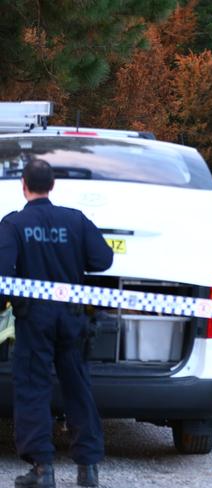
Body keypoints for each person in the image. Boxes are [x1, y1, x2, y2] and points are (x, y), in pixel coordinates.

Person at [0, 160, 113, 488]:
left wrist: (17, 303)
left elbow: (3, 274)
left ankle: (42, 469)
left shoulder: (14, 225)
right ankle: (88, 468)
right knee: (78, 387)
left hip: (34, 320)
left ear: (24, 185)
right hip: (72, 317)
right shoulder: (75, 220)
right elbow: (103, 259)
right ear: (52, 186)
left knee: (33, 389)